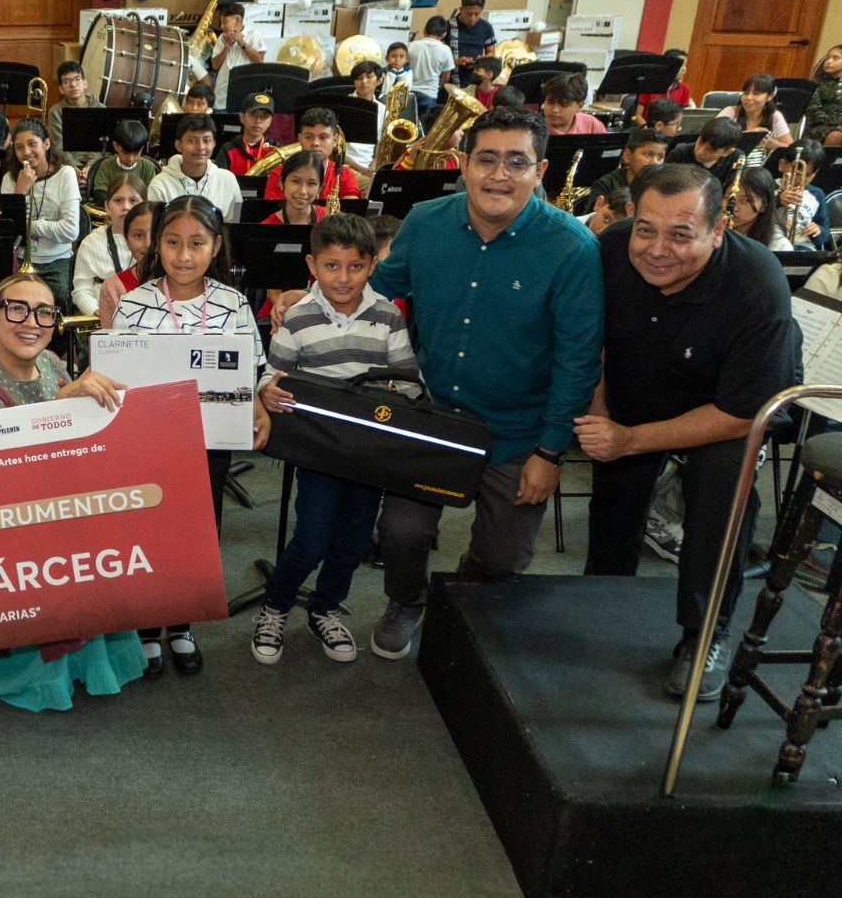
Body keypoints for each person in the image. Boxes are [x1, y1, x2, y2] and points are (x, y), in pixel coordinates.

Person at [315, 108, 603, 659]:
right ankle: (406, 601)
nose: (499, 175)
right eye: (487, 159)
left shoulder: (572, 248)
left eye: (516, 162)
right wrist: (308, 302)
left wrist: (550, 453)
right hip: (434, 418)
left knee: (501, 560)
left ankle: (461, 596)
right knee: (400, 534)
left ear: (540, 171)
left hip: (519, 432)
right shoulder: (425, 221)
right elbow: (375, 290)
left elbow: (578, 361)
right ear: (464, 164)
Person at [578, 164, 798, 701]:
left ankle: (704, 634)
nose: (657, 250)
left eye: (681, 235)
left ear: (718, 230)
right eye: (646, 229)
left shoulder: (758, 282)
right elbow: (589, 339)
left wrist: (631, 440)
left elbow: (743, 413)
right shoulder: (612, 249)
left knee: (725, 484)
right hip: (636, 384)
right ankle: (600, 596)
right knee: (615, 493)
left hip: (721, 409)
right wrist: (602, 413)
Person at [0, 273, 141, 710]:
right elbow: (0, 477)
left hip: (56, 504)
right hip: (1, 526)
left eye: (44, 312)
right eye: (17, 309)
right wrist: (64, 406)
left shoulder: (50, 362)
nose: (31, 322)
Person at [113, 194, 269, 677]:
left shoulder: (233, 303)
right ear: (156, 245)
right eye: (172, 242)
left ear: (216, 246)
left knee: (196, 534)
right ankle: (145, 628)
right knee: (147, 530)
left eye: (197, 243)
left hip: (209, 442)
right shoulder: (134, 304)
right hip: (148, 444)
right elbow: (116, 375)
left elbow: (254, 368)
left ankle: (181, 626)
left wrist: (259, 403)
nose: (184, 255)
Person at [252, 214, 419, 665]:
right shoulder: (298, 317)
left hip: (369, 454)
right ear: (312, 265)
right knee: (311, 540)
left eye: (356, 267)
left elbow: (409, 381)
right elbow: (271, 373)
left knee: (352, 542)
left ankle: (325, 608)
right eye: (331, 266)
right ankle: (276, 604)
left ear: (372, 266)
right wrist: (267, 390)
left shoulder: (388, 316)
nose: (343, 278)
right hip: (319, 451)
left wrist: (397, 395)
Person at [1, 118, 81, 303]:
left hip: (56, 259)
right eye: (19, 147)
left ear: (46, 144)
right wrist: (19, 192)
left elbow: (70, 230)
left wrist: (31, 226)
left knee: (56, 298)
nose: (26, 152)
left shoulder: (65, 174)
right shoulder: (10, 179)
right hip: (20, 259)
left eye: (32, 144)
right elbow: (8, 231)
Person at [147, 114, 241, 223]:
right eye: (192, 141)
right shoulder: (160, 184)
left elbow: (237, 221)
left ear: (214, 144)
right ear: (178, 145)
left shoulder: (228, 179)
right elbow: (154, 227)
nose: (200, 147)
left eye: (206, 141)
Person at [71, 173, 144, 314]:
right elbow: (81, 290)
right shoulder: (90, 243)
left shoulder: (155, 242)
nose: (126, 207)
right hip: (102, 315)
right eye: (118, 201)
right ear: (107, 207)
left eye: (133, 201)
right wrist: (97, 312)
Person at [263, 108, 360, 204]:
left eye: (323, 137)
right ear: (300, 139)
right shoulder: (278, 174)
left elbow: (350, 211)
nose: (315, 143)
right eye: (309, 137)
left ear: (335, 141)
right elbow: (275, 211)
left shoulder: (346, 175)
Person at [96, 199, 155, 329]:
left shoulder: (184, 282)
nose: (148, 244)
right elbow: (111, 340)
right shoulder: (113, 288)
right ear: (127, 240)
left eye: (156, 234)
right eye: (138, 235)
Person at [580, 128, 668, 215]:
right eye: (648, 154)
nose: (655, 162)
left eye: (660, 157)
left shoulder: (665, 187)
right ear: (628, 156)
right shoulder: (607, 185)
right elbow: (592, 219)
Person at [201, 2, 266, 109]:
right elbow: (215, 66)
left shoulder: (253, 34)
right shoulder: (221, 37)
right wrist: (226, 47)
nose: (221, 26)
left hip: (245, 95)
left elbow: (259, 60)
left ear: (237, 20)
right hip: (222, 95)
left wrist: (242, 43)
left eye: (225, 22)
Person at [46, 61, 104, 176]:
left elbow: (102, 144)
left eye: (77, 79)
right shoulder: (55, 112)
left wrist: (90, 166)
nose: (73, 85)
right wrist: (74, 168)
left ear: (85, 83)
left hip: (96, 163)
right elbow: (58, 145)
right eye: (67, 82)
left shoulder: (100, 108)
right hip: (67, 165)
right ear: (61, 89)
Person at [83, 118, 159, 206]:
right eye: (125, 153)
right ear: (115, 146)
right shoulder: (106, 165)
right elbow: (100, 193)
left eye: (136, 153)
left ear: (142, 148)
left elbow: (151, 196)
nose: (130, 158)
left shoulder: (148, 166)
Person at [717, 73, 793, 153]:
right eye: (746, 93)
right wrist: (750, 136)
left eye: (756, 93)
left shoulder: (775, 116)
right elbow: (712, 138)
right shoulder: (730, 112)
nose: (749, 98)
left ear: (770, 96)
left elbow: (792, 149)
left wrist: (771, 143)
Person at [773, 139, 826, 248]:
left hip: (803, 246)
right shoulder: (768, 186)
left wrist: (818, 231)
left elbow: (825, 233)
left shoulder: (817, 194)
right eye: (796, 173)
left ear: (815, 173)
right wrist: (777, 200)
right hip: (772, 245)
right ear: (782, 165)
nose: (800, 179)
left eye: (808, 175)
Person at [666, 116, 744, 188]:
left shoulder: (737, 159)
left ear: (727, 152)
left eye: (710, 150)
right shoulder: (678, 154)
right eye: (700, 142)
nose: (700, 151)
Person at [726, 166, 788, 251]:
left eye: (746, 201)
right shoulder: (712, 232)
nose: (734, 208)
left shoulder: (778, 245)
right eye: (728, 198)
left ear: (763, 205)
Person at [216, 92, 277, 176]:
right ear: (242, 117)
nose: (258, 121)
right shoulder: (228, 149)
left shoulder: (276, 150)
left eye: (264, 116)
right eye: (253, 114)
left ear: (269, 122)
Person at [262, 150, 326, 227]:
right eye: (296, 181)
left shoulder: (330, 220)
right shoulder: (266, 227)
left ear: (320, 188)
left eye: (311, 183)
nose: (303, 191)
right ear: (282, 182)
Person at [345, 61, 387, 172]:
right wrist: (359, 169)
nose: (363, 82)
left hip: (367, 167)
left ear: (379, 81)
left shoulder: (383, 110)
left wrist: (373, 166)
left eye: (369, 77)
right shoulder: (343, 104)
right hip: (343, 164)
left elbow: (380, 144)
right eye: (359, 78)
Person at [407, 17, 456, 112]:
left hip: (410, 92)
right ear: (444, 34)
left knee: (407, 120)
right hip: (430, 94)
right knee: (427, 120)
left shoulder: (411, 45)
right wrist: (438, 88)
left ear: (424, 31)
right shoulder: (445, 50)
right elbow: (446, 77)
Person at [637, 48, 695, 123]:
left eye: (685, 65)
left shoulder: (684, 89)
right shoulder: (648, 85)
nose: (684, 69)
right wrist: (648, 129)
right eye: (681, 65)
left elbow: (682, 116)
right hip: (648, 127)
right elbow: (637, 116)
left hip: (671, 128)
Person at [540, 73, 607, 136]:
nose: (555, 110)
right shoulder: (535, 128)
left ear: (579, 106)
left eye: (564, 104)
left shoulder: (592, 125)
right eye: (550, 102)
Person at [448, 0, 496, 70]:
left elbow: (491, 52)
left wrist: (482, 61)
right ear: (461, 9)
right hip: (452, 74)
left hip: (476, 74)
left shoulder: (486, 27)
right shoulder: (448, 26)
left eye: (477, 14)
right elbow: (436, 57)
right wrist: (454, 63)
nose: (472, 19)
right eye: (469, 14)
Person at [805, 44, 842, 147]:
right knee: (835, 136)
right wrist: (836, 125)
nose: (829, 61)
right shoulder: (818, 84)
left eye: (835, 58)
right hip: (823, 126)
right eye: (827, 58)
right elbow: (813, 111)